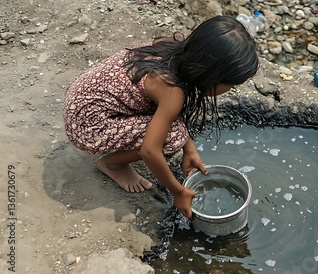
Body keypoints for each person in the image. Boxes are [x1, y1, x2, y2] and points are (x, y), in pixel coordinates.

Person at [63, 16, 259, 219]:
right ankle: (112, 164)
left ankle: (121, 150)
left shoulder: (175, 48)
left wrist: (189, 149)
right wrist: (179, 191)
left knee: (176, 130)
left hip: (81, 94)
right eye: (231, 85)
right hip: (86, 125)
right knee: (172, 137)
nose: (230, 90)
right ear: (210, 75)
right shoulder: (172, 92)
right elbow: (150, 151)